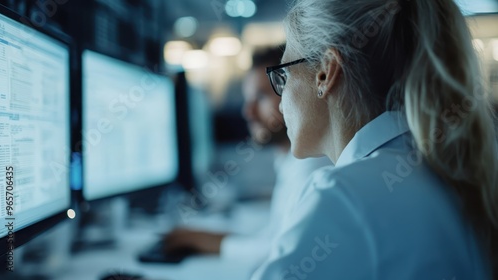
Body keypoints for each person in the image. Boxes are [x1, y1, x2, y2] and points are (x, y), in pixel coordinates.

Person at [251, 0, 498, 279]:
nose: (280, 104)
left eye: (283, 75)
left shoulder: (342, 195)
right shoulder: (448, 167)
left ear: (325, 72)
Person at [163, 46, 331, 271]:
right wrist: (209, 237)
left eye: (261, 96)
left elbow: (280, 251)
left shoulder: (311, 168)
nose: (248, 112)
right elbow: (275, 233)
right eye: (247, 99)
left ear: (294, 93)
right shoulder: (291, 163)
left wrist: (207, 241)